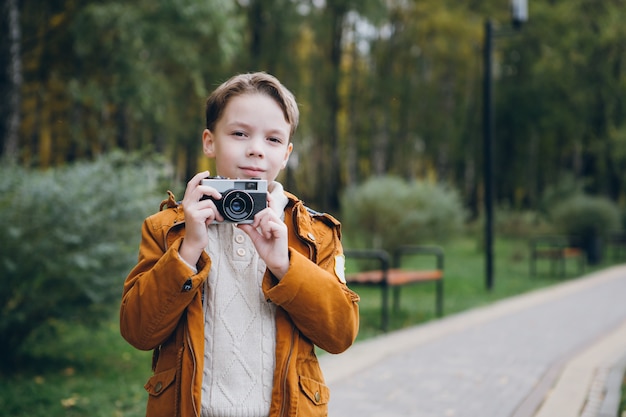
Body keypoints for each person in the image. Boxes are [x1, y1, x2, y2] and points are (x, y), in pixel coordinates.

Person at [120, 72, 360, 417]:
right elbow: (138, 332)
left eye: (273, 140)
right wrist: (188, 250)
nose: (256, 149)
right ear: (209, 141)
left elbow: (340, 335)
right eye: (239, 133)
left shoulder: (313, 234)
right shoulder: (167, 229)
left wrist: (284, 265)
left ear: (287, 153)